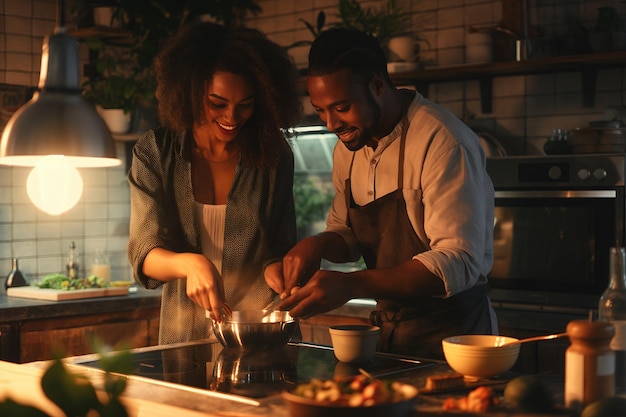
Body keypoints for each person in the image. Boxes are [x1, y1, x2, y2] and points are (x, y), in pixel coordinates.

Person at [265, 28, 498, 359]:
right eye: (320, 110)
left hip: (456, 341)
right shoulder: (350, 146)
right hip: (390, 338)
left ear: (377, 84)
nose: (331, 124)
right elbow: (347, 234)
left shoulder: (442, 141)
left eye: (341, 107)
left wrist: (352, 284)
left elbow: (458, 262)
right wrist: (316, 244)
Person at [127, 22, 301, 345]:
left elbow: (279, 249)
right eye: (217, 103)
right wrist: (189, 264)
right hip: (184, 336)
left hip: (258, 333)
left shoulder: (274, 157)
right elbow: (144, 253)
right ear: (191, 93)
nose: (232, 117)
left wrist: (279, 271)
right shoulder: (155, 154)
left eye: (245, 104)